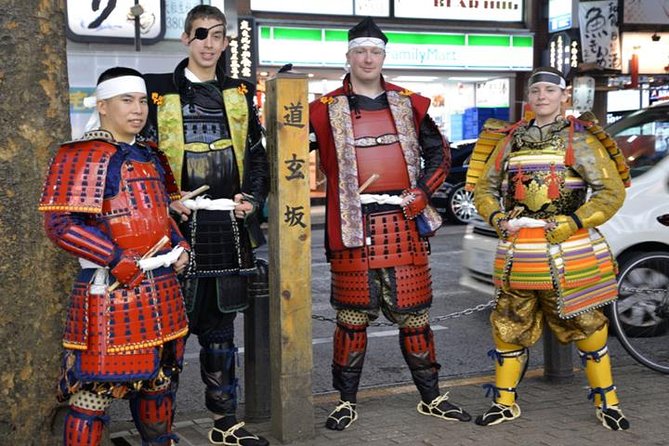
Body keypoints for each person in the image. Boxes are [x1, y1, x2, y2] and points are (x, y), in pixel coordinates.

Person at [309, 16, 471, 431]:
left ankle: (431, 397)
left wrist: (422, 191)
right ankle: (344, 402)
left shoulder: (409, 104)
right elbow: (285, 154)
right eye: (360, 51)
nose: (367, 58)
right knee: (351, 324)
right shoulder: (323, 110)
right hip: (352, 226)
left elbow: (441, 155)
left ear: (383, 56)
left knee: (416, 320)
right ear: (347, 56)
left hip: (402, 222)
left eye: (375, 51)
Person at [470, 66, 631, 431]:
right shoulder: (508, 140)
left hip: (570, 250)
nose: (542, 96)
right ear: (529, 97)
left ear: (564, 95)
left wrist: (573, 221)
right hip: (517, 252)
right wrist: (497, 218)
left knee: (588, 323)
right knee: (508, 323)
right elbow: (483, 188)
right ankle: (504, 402)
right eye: (536, 90)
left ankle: (608, 401)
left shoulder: (580, 139)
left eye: (549, 90)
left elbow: (611, 191)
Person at [39, 67, 191, 445]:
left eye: (141, 101)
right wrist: (115, 258)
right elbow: (60, 224)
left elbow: (160, 213)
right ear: (103, 105)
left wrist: (180, 245)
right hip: (108, 292)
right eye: (127, 100)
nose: (137, 109)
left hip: (162, 288)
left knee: (160, 382)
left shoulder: (150, 154)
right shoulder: (81, 154)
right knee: (92, 395)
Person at [141, 5, 269, 446]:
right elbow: (143, 161)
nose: (209, 43)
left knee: (220, 335)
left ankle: (224, 422)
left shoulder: (239, 94)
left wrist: (251, 199)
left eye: (218, 35)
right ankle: (159, 431)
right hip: (173, 235)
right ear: (185, 39)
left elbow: (257, 157)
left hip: (226, 232)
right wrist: (167, 202)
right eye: (201, 34)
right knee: (168, 337)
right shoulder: (157, 94)